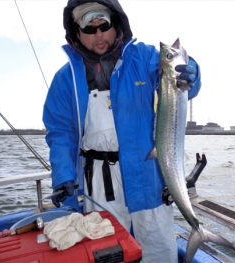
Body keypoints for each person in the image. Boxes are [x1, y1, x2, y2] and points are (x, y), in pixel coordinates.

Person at [43, 1, 201, 262]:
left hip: (148, 174)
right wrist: (63, 175)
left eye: (103, 25)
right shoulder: (65, 77)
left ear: (117, 24)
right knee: (107, 249)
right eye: (89, 28)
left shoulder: (145, 57)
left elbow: (182, 87)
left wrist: (191, 72)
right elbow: (60, 131)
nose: (99, 34)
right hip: (98, 182)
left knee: (158, 250)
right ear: (76, 33)